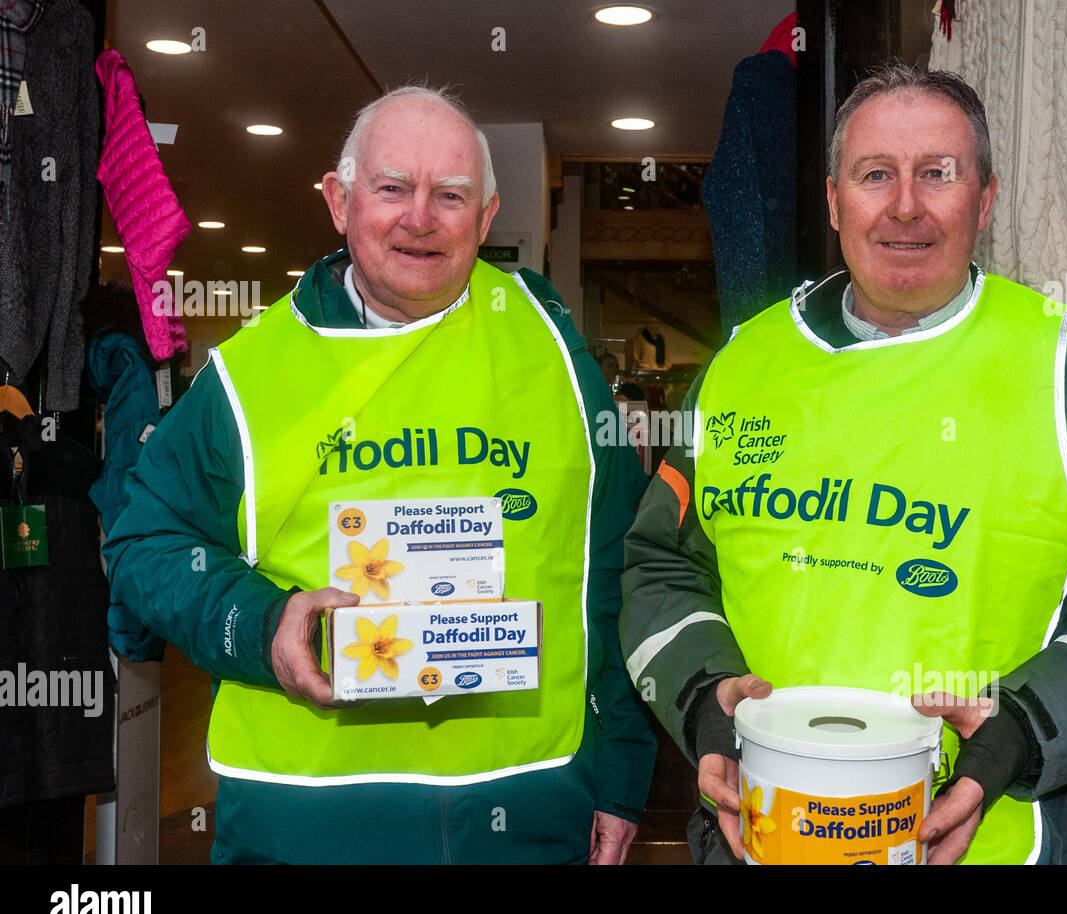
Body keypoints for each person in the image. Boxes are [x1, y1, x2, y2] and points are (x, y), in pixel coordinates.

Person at [621, 62, 1067, 865]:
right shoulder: (740, 368)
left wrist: (1023, 728)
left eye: (937, 174)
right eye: (875, 174)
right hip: (762, 836)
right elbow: (658, 565)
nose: (905, 205)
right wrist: (706, 698)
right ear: (833, 199)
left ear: (984, 199)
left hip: (993, 844)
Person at [103, 85, 656, 864]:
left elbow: (615, 561)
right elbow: (142, 541)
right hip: (308, 815)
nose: (420, 217)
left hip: (525, 800)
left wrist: (623, 766)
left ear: (488, 217)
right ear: (339, 200)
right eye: (392, 188)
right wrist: (264, 627)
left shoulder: (553, 349)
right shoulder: (247, 375)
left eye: (451, 195)